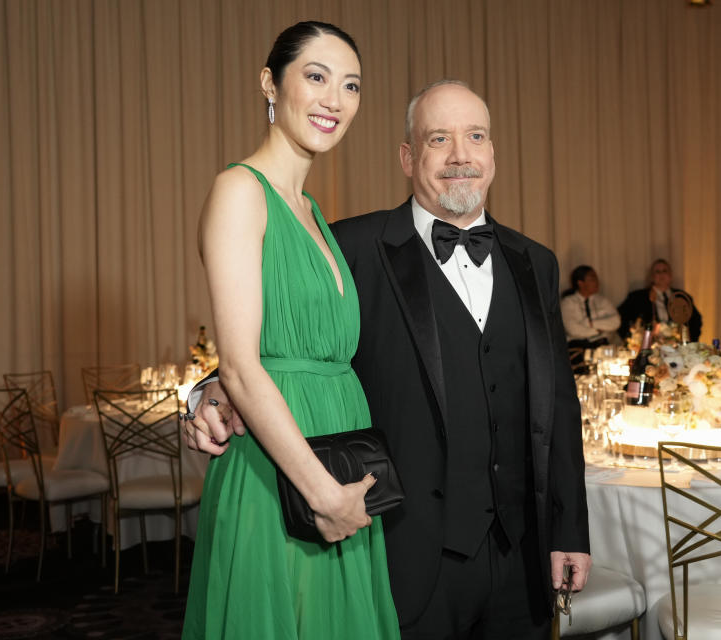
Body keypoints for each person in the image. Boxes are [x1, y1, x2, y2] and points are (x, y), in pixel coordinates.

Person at [185, 80, 591, 639]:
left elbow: (559, 409)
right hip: (404, 551)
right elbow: (283, 337)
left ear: (493, 153)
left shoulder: (537, 262)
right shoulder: (348, 245)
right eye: (438, 139)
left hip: (520, 561)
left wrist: (569, 529)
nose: (460, 156)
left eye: (475, 137)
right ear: (407, 156)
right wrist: (212, 388)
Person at [180, 21, 399, 639]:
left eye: (351, 85)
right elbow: (243, 365)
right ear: (269, 84)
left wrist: (338, 494)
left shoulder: (312, 213)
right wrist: (322, 495)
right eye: (317, 76)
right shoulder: (239, 191)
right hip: (283, 477)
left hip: (336, 466)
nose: (335, 99)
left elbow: (285, 349)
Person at [617, 258, 703, 342]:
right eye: (657, 272)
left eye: (665, 271)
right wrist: (632, 338)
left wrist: (689, 341)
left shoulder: (681, 297)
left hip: (677, 346)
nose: (661, 274)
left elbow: (695, 321)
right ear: (651, 276)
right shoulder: (637, 297)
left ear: (670, 275)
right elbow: (620, 318)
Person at [561, 264, 620, 348]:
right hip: (578, 346)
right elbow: (572, 329)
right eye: (592, 279)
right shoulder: (568, 302)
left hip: (602, 345)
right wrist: (598, 331)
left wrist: (590, 323)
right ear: (580, 283)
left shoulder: (602, 300)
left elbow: (616, 321)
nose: (597, 282)